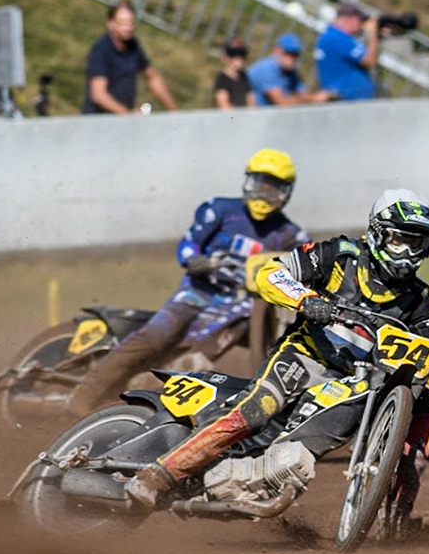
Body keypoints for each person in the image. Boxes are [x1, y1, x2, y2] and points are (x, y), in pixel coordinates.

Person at [125, 190, 429, 531]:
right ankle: (158, 476)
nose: (407, 252)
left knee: (419, 401)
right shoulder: (339, 255)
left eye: (417, 243)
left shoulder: (417, 301)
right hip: (304, 355)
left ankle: (395, 514)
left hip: (351, 382)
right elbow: (272, 273)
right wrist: (305, 300)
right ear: (378, 233)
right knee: (255, 408)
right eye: (400, 239)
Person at [67, 148, 310, 417]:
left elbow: (306, 267)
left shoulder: (292, 234)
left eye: (273, 189)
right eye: (259, 184)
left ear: (287, 193)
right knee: (155, 338)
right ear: (247, 182)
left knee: (199, 358)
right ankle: (84, 395)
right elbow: (188, 246)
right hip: (197, 291)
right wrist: (200, 261)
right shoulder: (219, 209)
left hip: (241, 307)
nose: (263, 194)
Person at [82, 1, 178, 114]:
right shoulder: (100, 51)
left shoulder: (133, 46)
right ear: (110, 24)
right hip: (100, 120)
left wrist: (174, 111)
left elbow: (153, 78)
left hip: (123, 119)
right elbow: (99, 95)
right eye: (122, 23)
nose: (127, 28)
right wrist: (128, 114)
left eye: (130, 23)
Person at [314, 0, 379, 102]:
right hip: (347, 102)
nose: (361, 25)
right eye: (359, 20)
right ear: (349, 18)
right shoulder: (339, 38)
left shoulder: (332, 35)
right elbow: (369, 60)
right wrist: (372, 34)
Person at [247, 34, 331, 106]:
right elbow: (282, 103)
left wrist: (320, 97)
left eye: (295, 54)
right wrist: (314, 99)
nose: (291, 58)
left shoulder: (291, 71)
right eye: (287, 53)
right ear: (277, 50)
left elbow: (304, 93)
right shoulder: (266, 69)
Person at [213, 38, 256, 109]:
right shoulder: (222, 79)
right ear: (225, 57)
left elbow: (251, 101)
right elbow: (224, 106)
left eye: (242, 55)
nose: (238, 59)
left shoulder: (245, 77)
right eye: (233, 55)